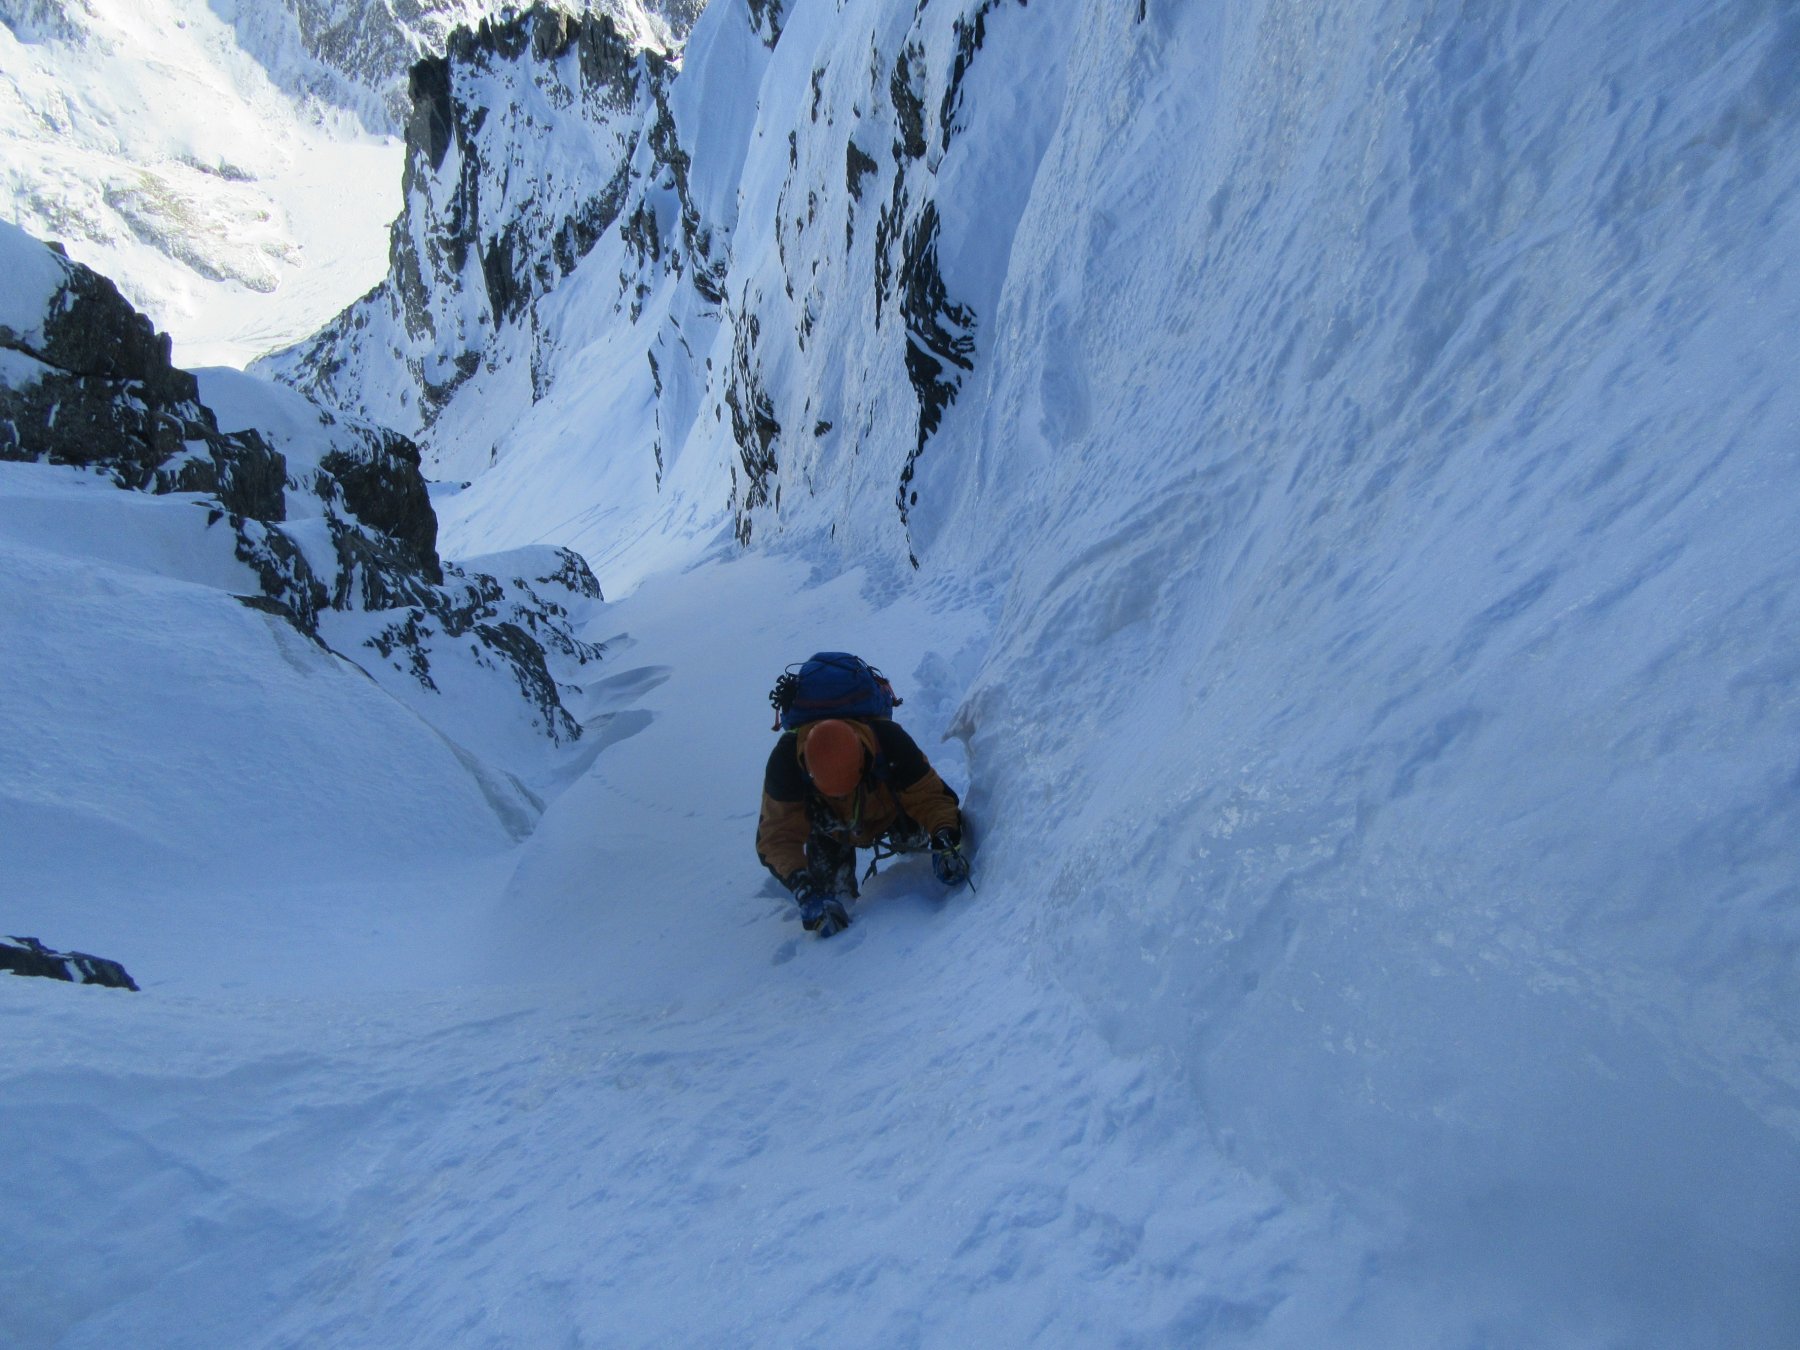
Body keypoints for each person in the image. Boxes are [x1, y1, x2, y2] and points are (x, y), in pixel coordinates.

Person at [757, 715, 969, 936]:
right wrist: (803, 887)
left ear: (863, 760)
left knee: (916, 848)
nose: (844, 796)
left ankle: (914, 856)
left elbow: (931, 798)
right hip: (829, 831)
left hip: (892, 813)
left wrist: (944, 836)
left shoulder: (890, 742)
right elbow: (776, 838)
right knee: (832, 902)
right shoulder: (785, 765)